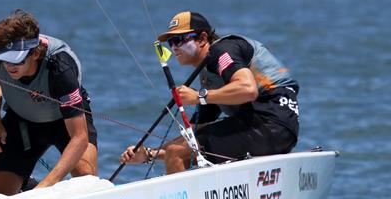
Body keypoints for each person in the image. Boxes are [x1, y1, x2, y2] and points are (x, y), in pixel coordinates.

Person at [120, 11, 299, 174]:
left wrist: (198, 97)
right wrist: (149, 154)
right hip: (273, 128)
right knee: (179, 149)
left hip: (270, 124)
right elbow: (191, 138)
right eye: (171, 42)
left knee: (177, 153)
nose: (174, 47)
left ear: (203, 38)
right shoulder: (210, 75)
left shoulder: (222, 51)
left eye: (180, 40)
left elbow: (248, 89)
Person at [0, 10, 98, 195]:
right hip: (22, 121)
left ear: (35, 53)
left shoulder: (60, 67)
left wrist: (44, 188)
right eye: (5, 60)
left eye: (16, 60)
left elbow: (79, 138)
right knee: (0, 195)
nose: (9, 66)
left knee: (86, 179)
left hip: (65, 122)